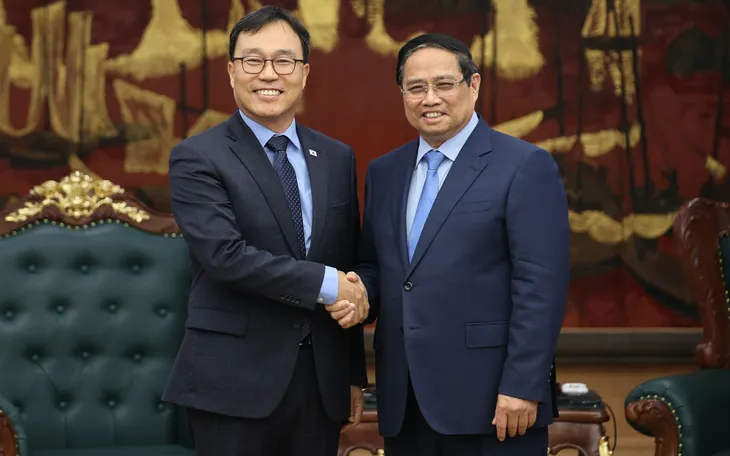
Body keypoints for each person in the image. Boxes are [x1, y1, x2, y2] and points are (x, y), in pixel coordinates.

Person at [334, 33, 569, 455]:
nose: (430, 99)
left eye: (444, 84)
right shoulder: (385, 172)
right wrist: (357, 294)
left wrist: (523, 384)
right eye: (416, 88)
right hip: (405, 400)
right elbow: (377, 267)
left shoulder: (524, 165)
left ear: (473, 85)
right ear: (402, 94)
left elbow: (541, 287)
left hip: (494, 403)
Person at [162, 6, 369, 456]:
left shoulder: (337, 158)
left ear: (305, 72)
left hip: (319, 384)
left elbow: (347, 263)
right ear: (232, 71)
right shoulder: (198, 156)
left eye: (284, 60)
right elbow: (225, 257)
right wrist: (328, 283)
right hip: (232, 383)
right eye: (253, 60)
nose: (268, 74)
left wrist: (352, 373)